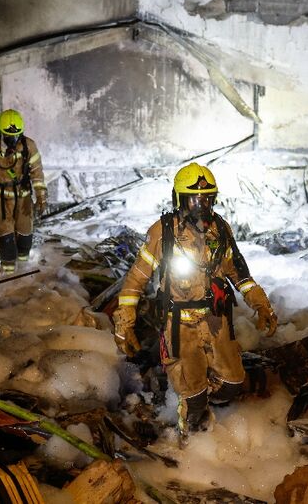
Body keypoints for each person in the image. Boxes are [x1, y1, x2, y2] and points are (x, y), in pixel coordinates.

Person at [113, 162, 278, 443]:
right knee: (195, 401)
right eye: (194, 199)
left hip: (216, 320)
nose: (201, 206)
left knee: (231, 385)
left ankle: (197, 381)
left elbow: (240, 274)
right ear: (179, 200)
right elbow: (135, 281)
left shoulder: (220, 230)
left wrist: (262, 305)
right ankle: (188, 439)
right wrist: (124, 324)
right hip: (180, 325)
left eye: (207, 199)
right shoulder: (163, 232)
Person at [0, 109, 47, 273]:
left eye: (17, 135)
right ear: (0, 132)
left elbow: (37, 172)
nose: (13, 139)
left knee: (25, 234)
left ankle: (23, 270)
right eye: (9, 136)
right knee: (6, 237)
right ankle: (8, 273)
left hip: (23, 197)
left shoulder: (28, 145)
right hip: (1, 199)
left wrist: (41, 196)